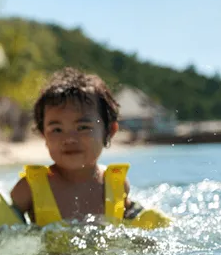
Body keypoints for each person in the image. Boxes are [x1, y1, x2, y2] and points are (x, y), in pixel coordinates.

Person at [10, 67, 139, 225]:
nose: (69, 139)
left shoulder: (117, 185)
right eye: (57, 130)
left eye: (82, 127)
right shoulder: (28, 189)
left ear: (109, 131)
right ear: (44, 135)